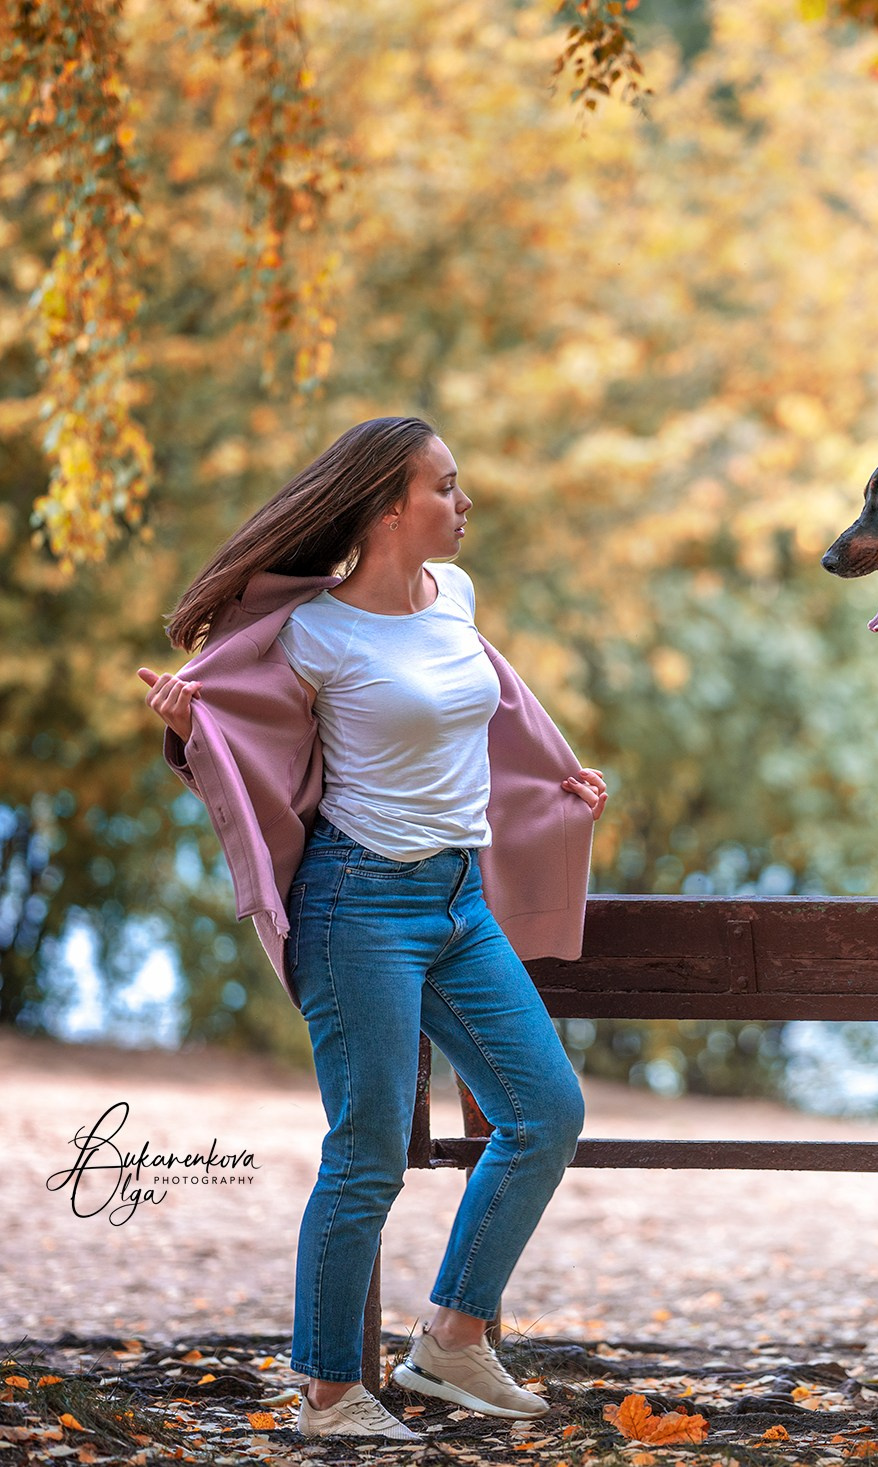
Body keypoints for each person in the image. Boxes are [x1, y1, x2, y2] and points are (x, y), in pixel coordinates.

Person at [139, 417, 608, 1441]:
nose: (463, 501)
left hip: (458, 903)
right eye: (446, 486)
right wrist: (191, 730)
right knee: (366, 1153)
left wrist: (553, 779)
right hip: (360, 907)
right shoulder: (314, 635)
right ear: (389, 507)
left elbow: (493, 713)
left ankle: (450, 1339)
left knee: (545, 1113)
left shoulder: (457, 601)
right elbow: (241, 733)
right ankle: (327, 1392)